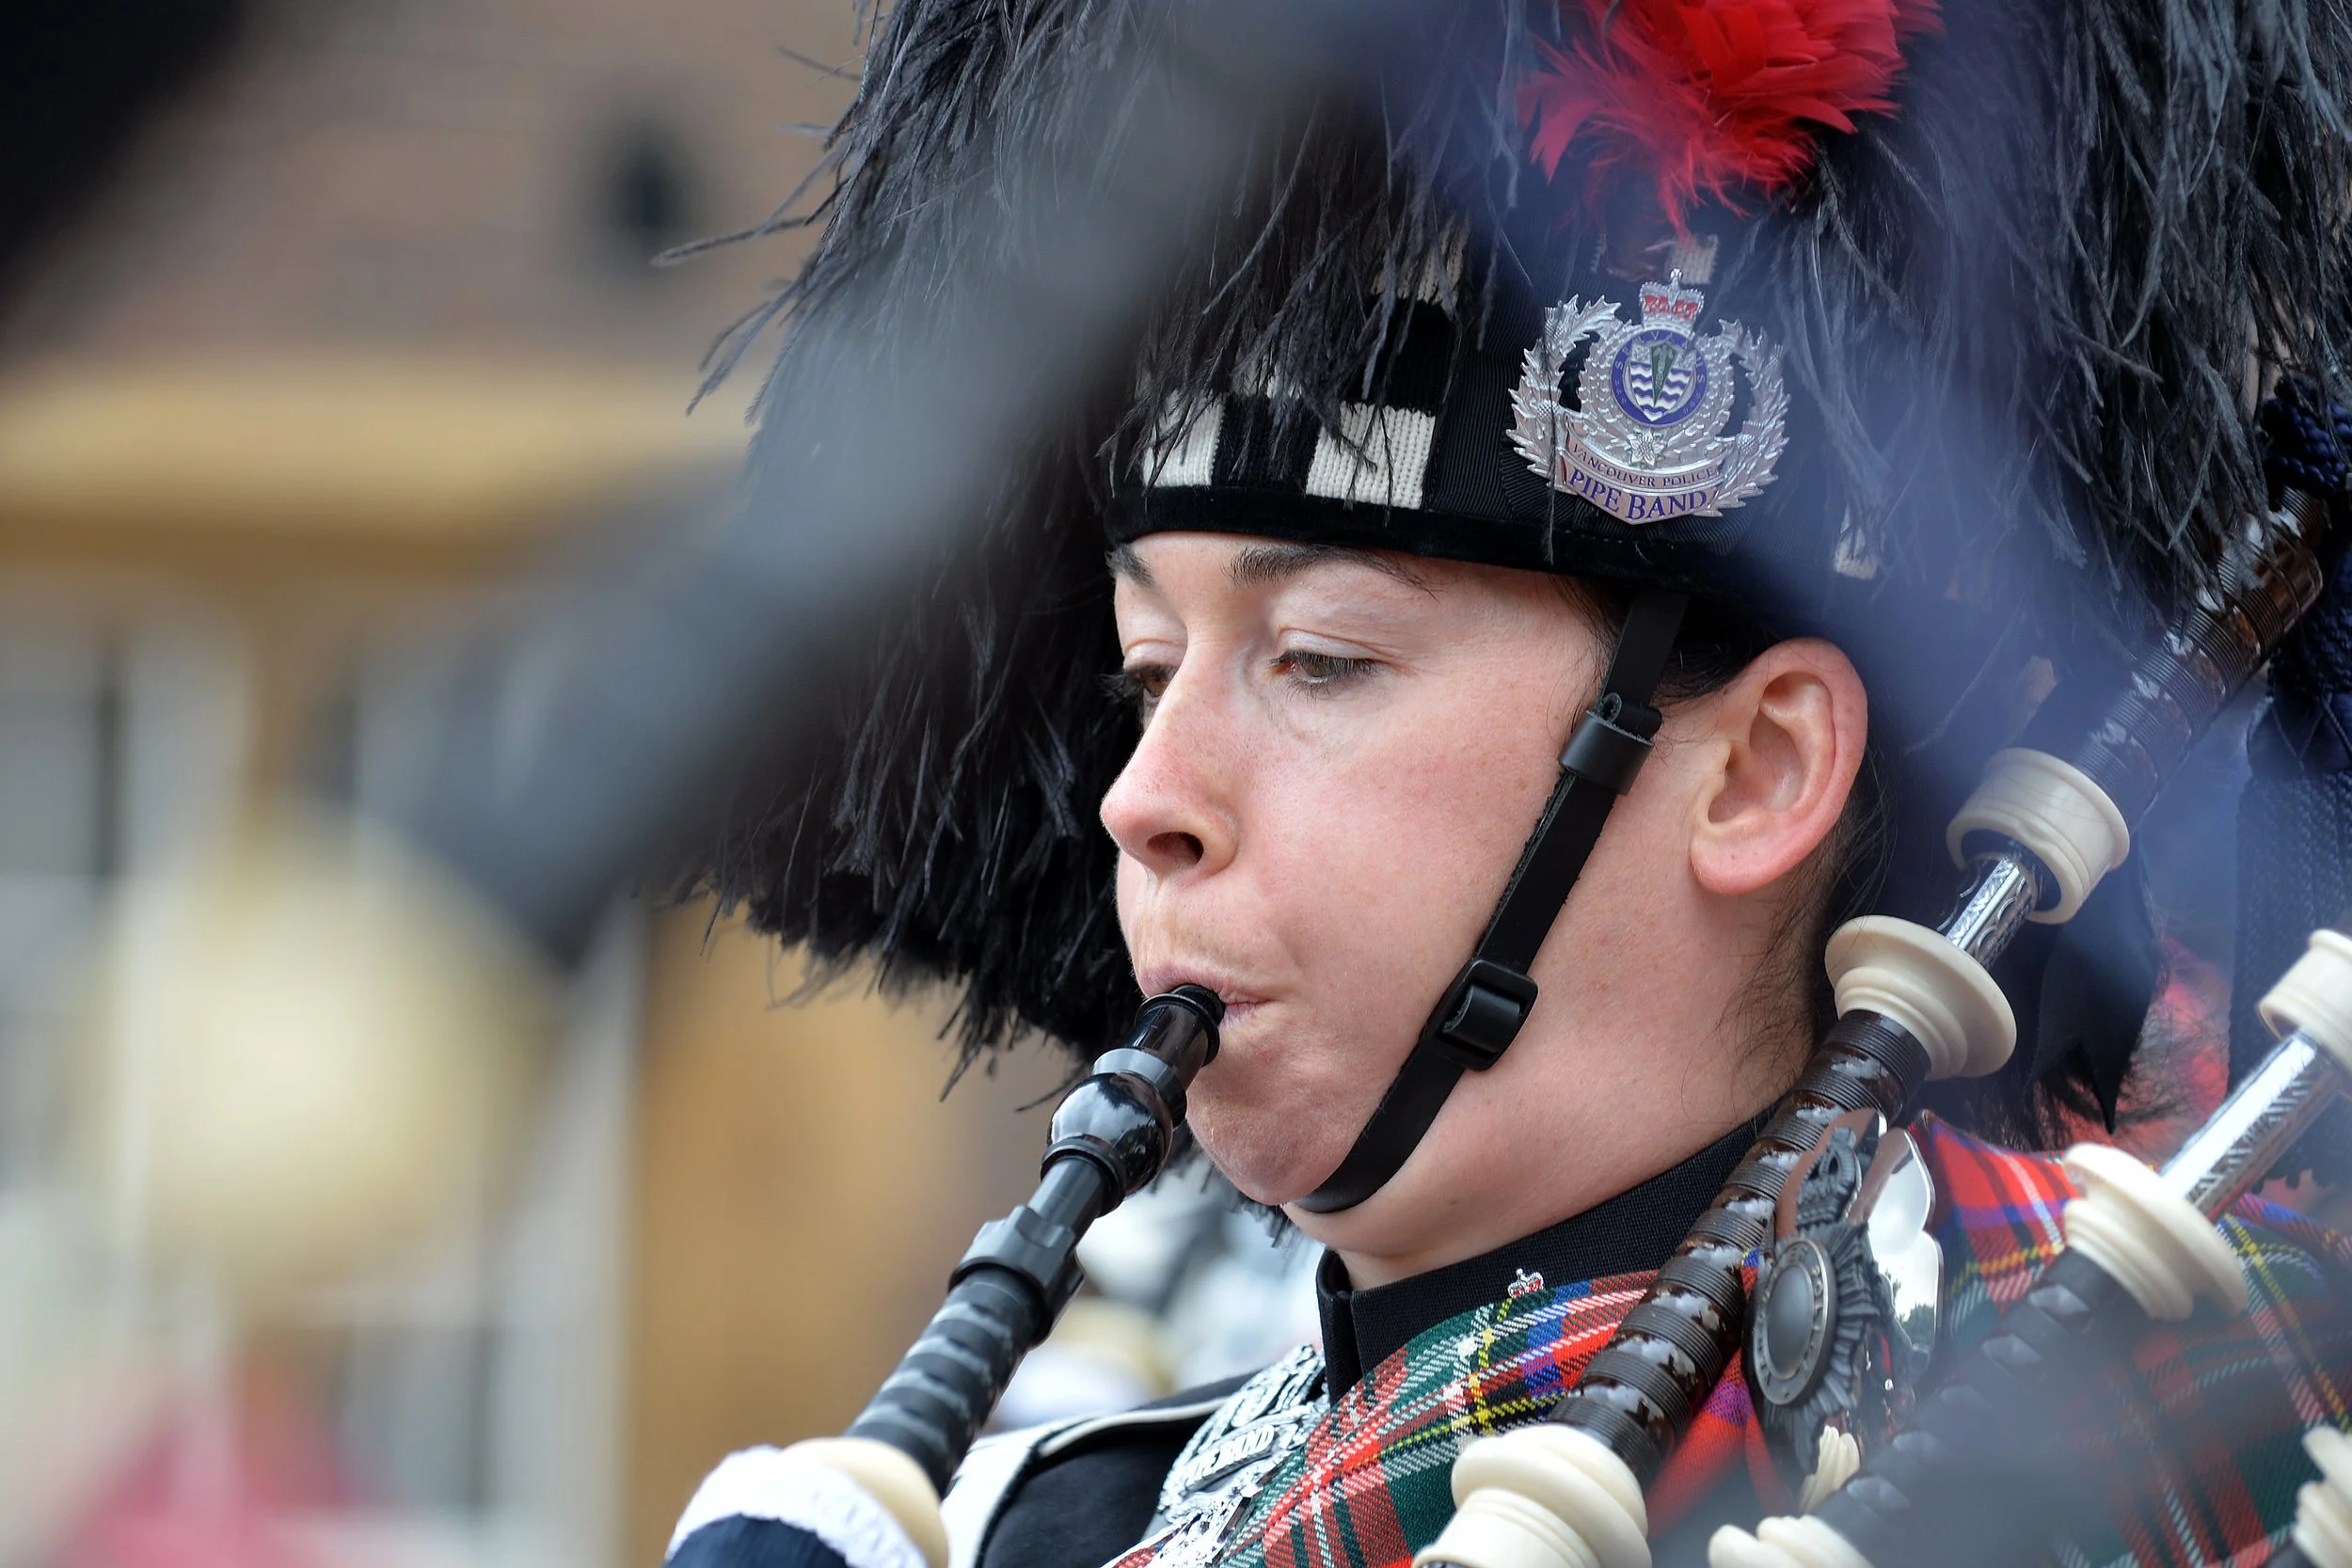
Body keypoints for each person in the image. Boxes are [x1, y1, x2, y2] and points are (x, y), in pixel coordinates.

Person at [666, 1, 2352, 1563]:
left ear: (1756, 771)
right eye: (1146, 672)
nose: (1144, 795)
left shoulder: (2140, 1425)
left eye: (1321, 658)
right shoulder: (1078, 1504)